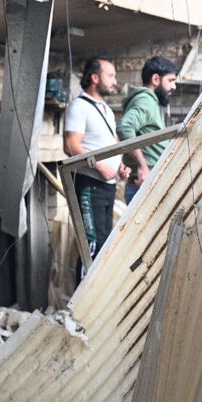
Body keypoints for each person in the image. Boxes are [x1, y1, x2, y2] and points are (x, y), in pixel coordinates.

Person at [63, 56, 129, 272]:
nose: (115, 81)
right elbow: (71, 145)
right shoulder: (79, 106)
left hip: (108, 187)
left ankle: (94, 303)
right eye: (110, 75)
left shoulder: (106, 110)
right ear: (94, 77)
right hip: (90, 185)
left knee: (103, 246)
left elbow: (111, 144)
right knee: (91, 246)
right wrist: (100, 166)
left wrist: (120, 166)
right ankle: (80, 305)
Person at [117, 55, 179, 204]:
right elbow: (125, 128)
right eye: (170, 80)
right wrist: (142, 166)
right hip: (144, 184)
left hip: (148, 183)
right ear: (156, 79)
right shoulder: (146, 101)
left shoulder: (149, 101)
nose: (174, 86)